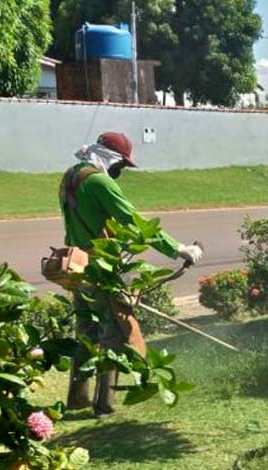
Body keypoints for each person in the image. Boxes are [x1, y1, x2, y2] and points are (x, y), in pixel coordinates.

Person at [59, 131, 204, 416]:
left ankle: (77, 398)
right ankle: (105, 405)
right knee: (111, 333)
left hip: (76, 266)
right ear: (110, 158)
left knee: (85, 333)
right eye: (120, 166)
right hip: (101, 267)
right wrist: (179, 249)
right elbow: (135, 221)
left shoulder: (71, 175)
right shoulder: (99, 181)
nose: (120, 172)